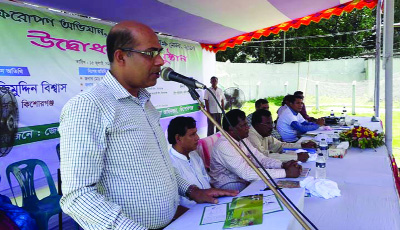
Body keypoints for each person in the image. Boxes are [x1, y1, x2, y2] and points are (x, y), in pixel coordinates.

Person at [58, 21, 237, 229]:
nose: (160, 61)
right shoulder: (88, 106)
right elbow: (77, 196)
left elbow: (159, 165)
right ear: (121, 56)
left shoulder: (146, 102)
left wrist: (192, 190)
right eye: (150, 53)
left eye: (159, 53)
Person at [209, 109, 302, 192]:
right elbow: (246, 173)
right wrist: (285, 173)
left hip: (244, 180)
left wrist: (282, 165)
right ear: (231, 129)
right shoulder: (224, 145)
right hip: (228, 185)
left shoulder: (242, 139)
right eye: (244, 125)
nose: (248, 128)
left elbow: (259, 158)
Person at [167, 116, 212, 208]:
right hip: (191, 213)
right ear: (178, 138)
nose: (197, 138)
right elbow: (174, 205)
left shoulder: (194, 155)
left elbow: (207, 180)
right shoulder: (169, 164)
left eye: (196, 133)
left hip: (210, 204)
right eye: (192, 134)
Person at [248, 109, 317, 162]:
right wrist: (296, 157)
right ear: (257, 125)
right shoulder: (251, 136)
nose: (271, 127)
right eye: (268, 124)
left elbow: (280, 145)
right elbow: (264, 156)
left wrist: (302, 145)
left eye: (271, 123)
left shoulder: (264, 133)